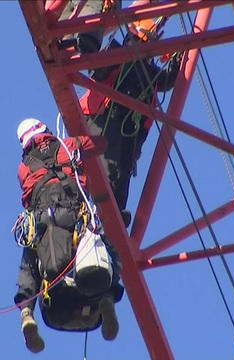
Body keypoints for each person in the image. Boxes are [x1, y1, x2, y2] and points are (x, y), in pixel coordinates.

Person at [13, 118, 124, 353]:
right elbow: (99, 145)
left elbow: (27, 199)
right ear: (45, 130)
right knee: (105, 245)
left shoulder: (23, 168)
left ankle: (26, 313)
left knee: (30, 262)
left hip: (43, 218)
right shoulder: (67, 145)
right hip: (75, 212)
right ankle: (107, 295)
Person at [80, 17, 183, 227]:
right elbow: (96, 70)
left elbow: (169, 79)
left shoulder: (150, 73)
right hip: (104, 118)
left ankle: (113, 214)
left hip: (129, 130)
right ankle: (101, 215)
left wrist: (178, 56)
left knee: (122, 171)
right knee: (107, 167)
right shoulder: (117, 55)